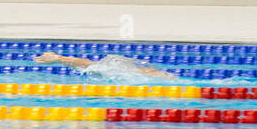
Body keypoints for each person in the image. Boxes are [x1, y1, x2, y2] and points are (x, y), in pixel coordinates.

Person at [33, 52, 173, 79]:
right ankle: (59, 58)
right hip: (129, 76)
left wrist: (59, 58)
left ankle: (59, 58)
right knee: (99, 68)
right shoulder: (163, 77)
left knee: (98, 68)